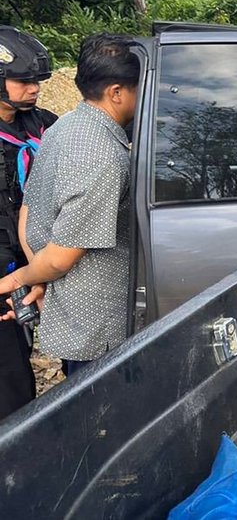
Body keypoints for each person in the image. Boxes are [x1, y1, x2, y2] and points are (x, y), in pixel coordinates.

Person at [0, 33, 140, 377]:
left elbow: (27, 211)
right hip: (94, 325)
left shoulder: (62, 126)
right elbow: (63, 255)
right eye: (141, 87)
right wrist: (22, 277)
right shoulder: (100, 153)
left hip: (71, 307)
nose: (33, 88)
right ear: (117, 92)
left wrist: (39, 273)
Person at [0, 27, 56, 418]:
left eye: (36, 81)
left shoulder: (43, 124)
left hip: (38, 260)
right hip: (6, 269)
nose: (33, 88)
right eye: (23, 81)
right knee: (11, 378)